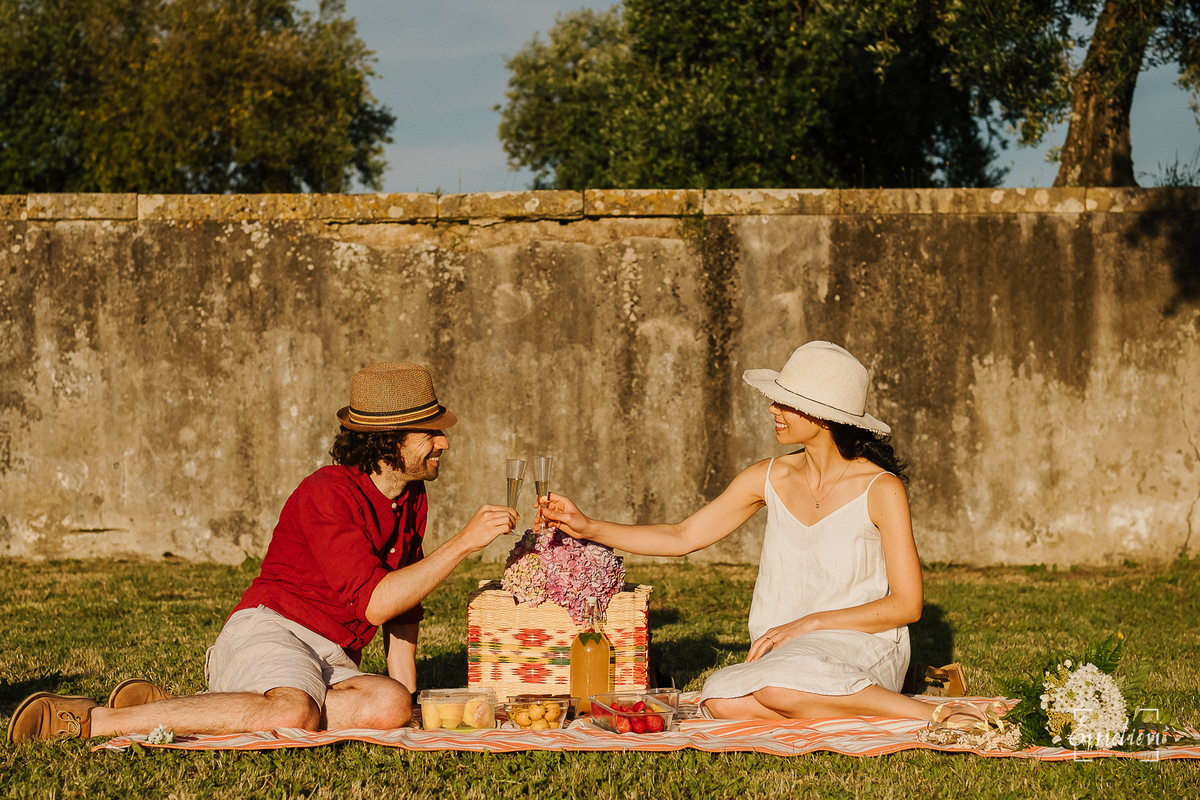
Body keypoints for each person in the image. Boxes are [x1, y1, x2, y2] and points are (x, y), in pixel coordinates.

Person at [8, 361, 518, 742]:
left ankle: (199, 708)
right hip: (272, 627)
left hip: (332, 653)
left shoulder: (410, 497)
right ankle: (92, 719)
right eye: (430, 433)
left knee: (388, 705)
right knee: (291, 715)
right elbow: (376, 603)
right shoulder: (326, 493)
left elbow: (403, 605)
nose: (444, 444)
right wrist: (465, 543)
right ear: (388, 440)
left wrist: (407, 704)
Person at [540, 341, 939, 721]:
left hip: (861, 646)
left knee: (778, 690)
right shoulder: (768, 476)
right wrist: (587, 526)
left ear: (824, 416)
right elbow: (682, 536)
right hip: (783, 653)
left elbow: (907, 605)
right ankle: (845, 711)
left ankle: (931, 713)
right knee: (719, 697)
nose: (772, 409)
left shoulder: (880, 488)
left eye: (787, 403)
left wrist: (809, 622)